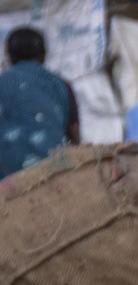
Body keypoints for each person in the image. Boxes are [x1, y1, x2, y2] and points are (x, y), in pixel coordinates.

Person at [0, 27, 78, 180]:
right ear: (43, 55)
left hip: (7, 182)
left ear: (9, 57)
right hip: (52, 174)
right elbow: (75, 140)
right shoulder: (60, 84)